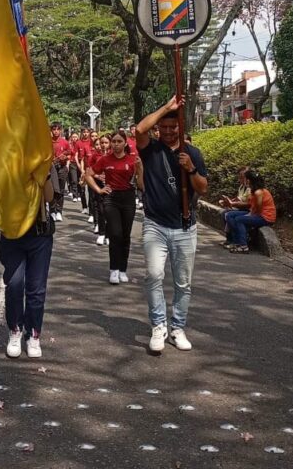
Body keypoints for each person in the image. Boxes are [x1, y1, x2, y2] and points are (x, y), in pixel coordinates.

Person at [136, 95, 209, 354]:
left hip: (185, 227)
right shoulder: (151, 149)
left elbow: (203, 187)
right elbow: (139, 130)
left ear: (181, 127)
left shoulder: (192, 153)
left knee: (183, 282)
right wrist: (167, 107)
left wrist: (190, 169)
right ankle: (158, 325)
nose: (167, 132)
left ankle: (178, 327)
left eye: (172, 127)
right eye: (163, 128)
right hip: (155, 225)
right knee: (154, 275)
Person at [1, 174, 56, 360]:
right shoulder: (6, 162)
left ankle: (33, 334)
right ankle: (15, 330)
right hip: (12, 234)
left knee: (36, 289)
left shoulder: (43, 160)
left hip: (39, 235)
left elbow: (49, 197)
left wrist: (44, 174)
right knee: (14, 284)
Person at [85, 129, 143, 283]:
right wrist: (99, 189)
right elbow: (88, 174)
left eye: (119, 142)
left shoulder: (133, 159)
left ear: (125, 143)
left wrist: (140, 169)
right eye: (114, 142)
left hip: (128, 198)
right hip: (111, 198)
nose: (116, 145)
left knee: (125, 235)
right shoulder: (105, 159)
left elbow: (140, 184)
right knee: (115, 234)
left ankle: (123, 269)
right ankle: (114, 270)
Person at [222, 169, 276, 253]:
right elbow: (250, 205)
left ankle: (243, 246)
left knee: (239, 219)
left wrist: (249, 215)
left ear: (249, 180)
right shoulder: (253, 191)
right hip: (256, 213)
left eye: (246, 178)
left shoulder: (259, 192)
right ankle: (236, 241)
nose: (245, 180)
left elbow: (258, 209)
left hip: (264, 217)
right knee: (230, 215)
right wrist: (232, 203)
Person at [50, 123, 71, 221]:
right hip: (51, 168)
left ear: (61, 130)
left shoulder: (65, 142)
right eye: (54, 129)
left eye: (58, 129)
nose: (56, 131)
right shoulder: (47, 142)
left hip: (62, 168)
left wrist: (65, 157)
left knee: (61, 190)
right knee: (53, 190)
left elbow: (69, 154)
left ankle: (59, 211)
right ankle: (52, 211)